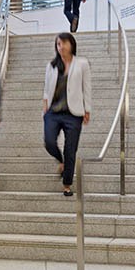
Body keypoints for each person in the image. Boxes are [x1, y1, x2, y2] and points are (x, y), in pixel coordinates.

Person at [42, 32, 91, 196]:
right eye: (58, 44)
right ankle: (60, 160)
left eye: (63, 43)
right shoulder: (52, 65)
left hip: (73, 113)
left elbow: (86, 88)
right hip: (53, 112)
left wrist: (87, 109)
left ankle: (67, 183)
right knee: (49, 142)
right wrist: (45, 106)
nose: (61, 47)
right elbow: (46, 88)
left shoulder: (82, 63)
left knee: (71, 149)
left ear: (71, 44)